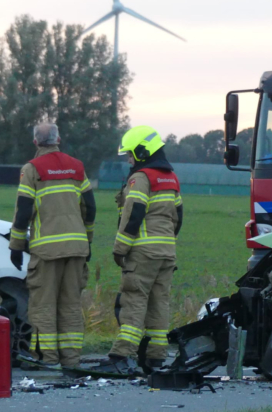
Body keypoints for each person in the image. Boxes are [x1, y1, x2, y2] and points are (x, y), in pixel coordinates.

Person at [95, 126, 183, 375]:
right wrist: (166, 241)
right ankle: (155, 358)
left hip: (142, 253)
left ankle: (122, 355)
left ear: (143, 152)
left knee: (133, 301)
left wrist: (120, 248)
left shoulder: (141, 178)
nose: (129, 160)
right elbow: (179, 216)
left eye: (131, 155)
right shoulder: (171, 178)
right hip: (167, 252)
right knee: (159, 304)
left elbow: (134, 213)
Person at [9, 122, 96, 369]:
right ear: (59, 139)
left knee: (43, 306)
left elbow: (23, 210)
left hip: (46, 251)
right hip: (77, 248)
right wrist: (86, 241)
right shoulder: (77, 167)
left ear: (36, 142)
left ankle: (47, 360)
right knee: (70, 305)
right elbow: (90, 207)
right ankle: (71, 360)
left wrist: (16, 245)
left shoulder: (32, 169)